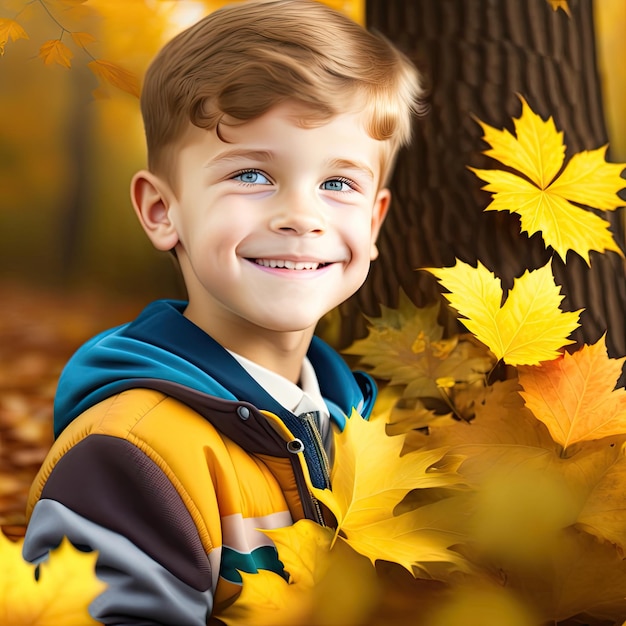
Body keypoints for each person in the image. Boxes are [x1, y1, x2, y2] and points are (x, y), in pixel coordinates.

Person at [22, 0, 421, 623]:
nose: (301, 215)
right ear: (162, 211)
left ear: (374, 223)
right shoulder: (129, 454)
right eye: (253, 174)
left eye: (338, 184)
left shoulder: (365, 429)